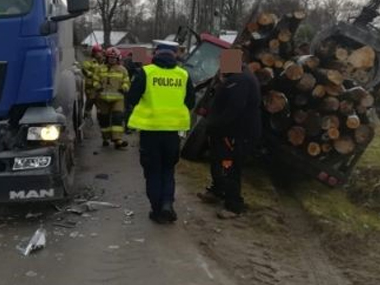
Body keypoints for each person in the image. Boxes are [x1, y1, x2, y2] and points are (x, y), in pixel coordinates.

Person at [127, 40, 195, 224]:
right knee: (168, 169)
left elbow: (131, 97)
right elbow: (191, 102)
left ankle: (157, 210)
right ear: (175, 55)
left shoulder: (146, 72)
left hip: (150, 132)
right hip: (173, 132)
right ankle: (167, 204)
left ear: (156, 54)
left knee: (153, 171)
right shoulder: (183, 74)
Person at [197, 58, 262, 219]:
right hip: (226, 132)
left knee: (229, 167)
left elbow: (234, 109)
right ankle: (217, 190)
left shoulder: (240, 81)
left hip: (236, 134)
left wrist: (214, 124)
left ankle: (234, 205)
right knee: (218, 161)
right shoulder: (235, 78)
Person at [95, 47, 130, 149]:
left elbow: (127, 82)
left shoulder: (122, 70)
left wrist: (124, 88)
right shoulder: (100, 69)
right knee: (104, 120)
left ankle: (117, 140)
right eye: (110, 58)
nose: (112, 60)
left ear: (118, 58)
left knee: (117, 118)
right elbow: (95, 80)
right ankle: (105, 138)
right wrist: (98, 86)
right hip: (103, 98)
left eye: (114, 58)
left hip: (118, 98)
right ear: (106, 58)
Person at [81, 44, 104, 121]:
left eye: (100, 52)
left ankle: (100, 118)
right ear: (94, 53)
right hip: (90, 87)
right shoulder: (89, 61)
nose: (99, 54)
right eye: (98, 52)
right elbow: (84, 69)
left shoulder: (103, 62)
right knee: (90, 101)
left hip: (100, 86)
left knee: (100, 103)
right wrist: (91, 74)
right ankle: (87, 117)